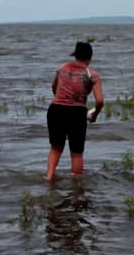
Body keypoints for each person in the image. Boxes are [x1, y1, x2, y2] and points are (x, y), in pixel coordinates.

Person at [44, 41, 104, 182]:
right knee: (76, 153)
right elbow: (100, 101)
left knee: (55, 148)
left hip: (55, 110)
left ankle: (49, 177)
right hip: (76, 112)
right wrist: (94, 114)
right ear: (90, 57)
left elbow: (54, 87)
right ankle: (76, 184)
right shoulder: (92, 74)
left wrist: (61, 100)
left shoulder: (63, 68)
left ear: (75, 55)